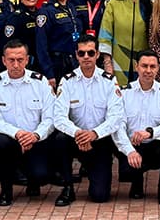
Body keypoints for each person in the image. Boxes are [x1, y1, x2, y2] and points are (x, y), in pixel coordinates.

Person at [0, 40, 56, 206]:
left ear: (27, 60)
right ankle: (6, 190)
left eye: (20, 60)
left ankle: (33, 181)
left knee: (42, 175)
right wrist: (18, 134)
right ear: (3, 60)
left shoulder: (40, 82)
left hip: (36, 141)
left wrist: (35, 135)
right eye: (11, 60)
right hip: (9, 142)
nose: (15, 64)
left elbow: (50, 118)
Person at [50, 35, 124, 205]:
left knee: (99, 196)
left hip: (100, 140)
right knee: (60, 139)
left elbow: (116, 117)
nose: (86, 57)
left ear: (97, 54)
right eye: (81, 53)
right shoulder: (67, 82)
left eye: (90, 53)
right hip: (75, 138)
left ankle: (93, 171)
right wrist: (78, 133)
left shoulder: (109, 81)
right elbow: (59, 117)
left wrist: (94, 134)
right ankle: (68, 187)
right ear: (76, 55)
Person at [114, 50, 160, 205]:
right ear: (136, 66)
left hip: (155, 146)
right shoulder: (124, 93)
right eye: (144, 66)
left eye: (153, 66)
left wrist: (150, 133)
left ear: (158, 69)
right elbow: (117, 126)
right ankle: (136, 184)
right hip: (131, 147)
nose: (148, 71)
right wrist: (130, 151)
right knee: (125, 166)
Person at [98, 0, 151, 85]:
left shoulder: (151, 6)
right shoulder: (114, 4)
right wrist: (107, 64)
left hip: (144, 69)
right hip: (118, 67)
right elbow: (105, 36)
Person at [37, 0, 80, 81]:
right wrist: (49, 74)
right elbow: (41, 46)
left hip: (74, 63)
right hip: (57, 66)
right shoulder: (45, 12)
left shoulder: (72, 8)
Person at [4, 0, 42, 72]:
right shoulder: (15, 18)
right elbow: (10, 46)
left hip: (40, 65)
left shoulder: (40, 14)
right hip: (23, 67)